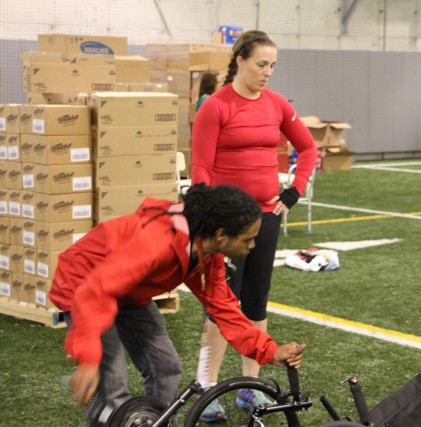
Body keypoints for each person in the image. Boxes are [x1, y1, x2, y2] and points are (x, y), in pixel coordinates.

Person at [49, 183, 306, 426]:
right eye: (247, 239)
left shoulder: (209, 252)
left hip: (128, 291)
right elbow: (97, 290)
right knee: (114, 386)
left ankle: (155, 422)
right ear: (221, 235)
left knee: (166, 367)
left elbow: (224, 309)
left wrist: (270, 351)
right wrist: (89, 357)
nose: (253, 245)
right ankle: (108, 414)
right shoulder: (156, 243)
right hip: (85, 285)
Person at [191, 29, 318, 422]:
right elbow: (201, 167)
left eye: (273, 66)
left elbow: (309, 147)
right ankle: (206, 388)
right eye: (262, 64)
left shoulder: (277, 104)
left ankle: (251, 388)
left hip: (264, 218)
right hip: (227, 226)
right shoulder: (214, 106)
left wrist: (294, 189)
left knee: (256, 301)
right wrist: (210, 219)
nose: (268, 72)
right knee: (219, 306)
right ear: (241, 60)